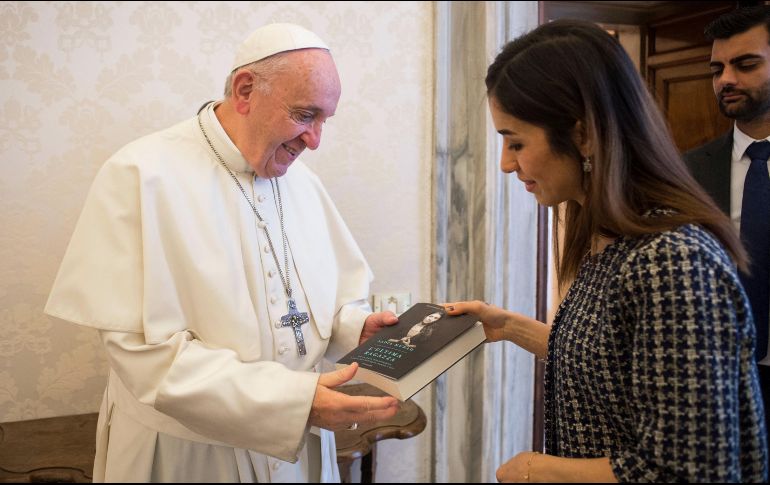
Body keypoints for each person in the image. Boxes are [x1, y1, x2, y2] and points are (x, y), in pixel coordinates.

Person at [44, 23, 401, 483]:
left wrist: (354, 326)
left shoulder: (301, 183)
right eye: (304, 115)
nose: (315, 141)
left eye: (324, 120)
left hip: (299, 451)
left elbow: (314, 303)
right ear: (246, 89)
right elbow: (146, 357)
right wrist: (295, 402)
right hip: (187, 458)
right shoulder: (140, 175)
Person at [446, 19, 768, 482]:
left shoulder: (672, 261)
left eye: (516, 142)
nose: (506, 164)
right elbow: (614, 364)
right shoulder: (608, 237)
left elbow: (688, 472)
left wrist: (540, 469)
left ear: (584, 136)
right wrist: (510, 326)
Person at [684, 5, 770, 448]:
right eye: (717, 68)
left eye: (746, 64)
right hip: (716, 387)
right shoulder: (685, 173)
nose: (726, 79)